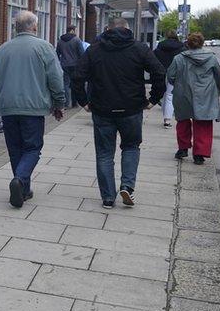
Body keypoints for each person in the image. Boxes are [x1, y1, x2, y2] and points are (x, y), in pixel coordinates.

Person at [71, 18, 166, 208]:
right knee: (131, 147)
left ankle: (107, 197)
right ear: (128, 29)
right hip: (131, 109)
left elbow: (77, 77)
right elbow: (159, 72)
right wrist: (153, 99)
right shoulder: (139, 48)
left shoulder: (94, 50)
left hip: (102, 109)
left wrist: (84, 102)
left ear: (107, 29)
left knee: (105, 153)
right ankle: (127, 186)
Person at [0, 11, 66, 208]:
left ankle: (23, 189)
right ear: (35, 27)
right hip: (33, 108)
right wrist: (59, 102)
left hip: (8, 108)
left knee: (15, 149)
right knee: (32, 148)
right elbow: (56, 78)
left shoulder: (3, 49)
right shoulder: (44, 47)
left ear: (16, 28)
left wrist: (0, 99)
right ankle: (20, 180)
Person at [167, 32, 220, 165]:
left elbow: (170, 76)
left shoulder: (179, 58)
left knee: (183, 121)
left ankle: (183, 149)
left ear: (188, 43)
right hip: (205, 94)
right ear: (202, 43)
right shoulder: (211, 58)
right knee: (203, 123)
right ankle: (200, 154)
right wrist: (216, 91)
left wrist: (179, 84)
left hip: (183, 93)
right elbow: (219, 77)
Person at [153, 31, 184, 128]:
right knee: (170, 96)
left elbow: (153, 59)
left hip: (161, 73)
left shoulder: (160, 47)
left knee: (164, 96)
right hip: (175, 74)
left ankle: (165, 117)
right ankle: (167, 120)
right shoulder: (181, 48)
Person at [56, 25, 85, 108]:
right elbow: (82, 53)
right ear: (72, 30)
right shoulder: (77, 40)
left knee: (65, 84)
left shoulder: (60, 41)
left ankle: (66, 103)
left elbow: (57, 53)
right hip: (75, 65)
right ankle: (74, 103)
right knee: (75, 83)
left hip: (64, 65)